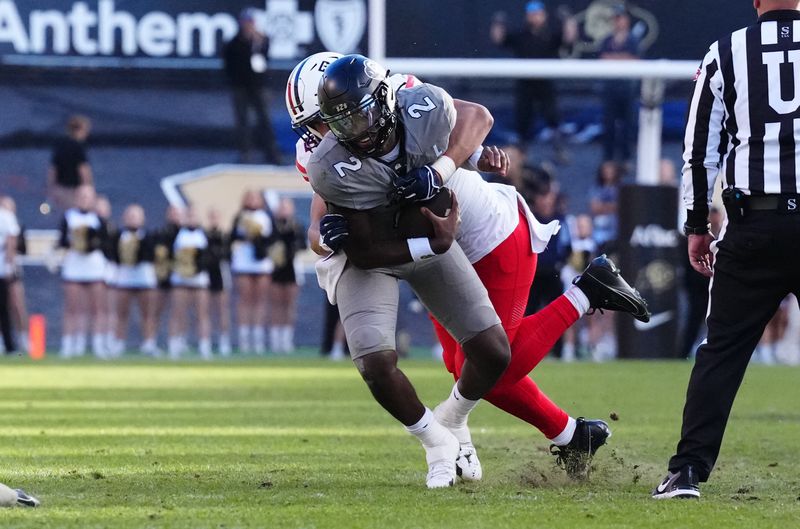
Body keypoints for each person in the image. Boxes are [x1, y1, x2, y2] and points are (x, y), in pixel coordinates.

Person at [309, 54, 650, 487]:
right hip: (433, 247)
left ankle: (585, 294)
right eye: (329, 124)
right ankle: (569, 436)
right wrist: (328, 234)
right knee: (465, 369)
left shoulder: (414, 107)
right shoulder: (327, 157)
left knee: (490, 367)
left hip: (488, 238)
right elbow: (323, 227)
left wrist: (448, 165)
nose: (335, 134)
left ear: (380, 99)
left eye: (351, 119)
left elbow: (471, 118)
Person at [653, 0, 800, 499]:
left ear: (756, 2)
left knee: (722, 352)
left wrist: (697, 224)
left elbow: (699, 149)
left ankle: (687, 471)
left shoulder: (725, 52)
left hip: (753, 223)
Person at [490, 2, 576, 161]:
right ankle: (522, 154)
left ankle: (559, 150)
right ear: (527, 16)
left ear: (544, 15)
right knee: (523, 118)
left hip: (545, 82)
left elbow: (568, 38)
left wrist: (569, 20)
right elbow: (499, 40)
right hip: (525, 83)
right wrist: (498, 22)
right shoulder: (521, 35)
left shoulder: (550, 34)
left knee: (553, 116)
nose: (535, 17)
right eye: (532, 14)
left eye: (538, 14)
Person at [223, 8, 281, 164]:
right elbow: (228, 65)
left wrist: (257, 43)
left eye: (250, 23)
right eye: (245, 23)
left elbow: (264, 61)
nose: (248, 26)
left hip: (258, 87)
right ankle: (245, 153)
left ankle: (272, 153)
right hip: (240, 87)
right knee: (242, 122)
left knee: (265, 120)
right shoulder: (234, 43)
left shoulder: (260, 40)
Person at [57, 185, 108, 358]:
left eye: (88, 196)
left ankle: (98, 345)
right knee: (72, 308)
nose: (85, 199)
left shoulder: (99, 219)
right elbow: (62, 241)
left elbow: (106, 243)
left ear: (93, 199)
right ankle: (70, 344)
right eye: (82, 196)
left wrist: (92, 243)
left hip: (94, 266)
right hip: (74, 266)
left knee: (97, 308)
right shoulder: (68, 216)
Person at [107, 204, 160, 357]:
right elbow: (114, 256)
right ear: (124, 218)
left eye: (136, 216)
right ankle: (118, 343)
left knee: (148, 313)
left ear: (143, 219)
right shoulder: (119, 236)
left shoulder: (148, 236)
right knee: (121, 313)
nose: (133, 219)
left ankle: (149, 343)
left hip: (145, 278)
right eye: (130, 216)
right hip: (124, 278)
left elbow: (152, 256)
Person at [230, 190, 274, 354]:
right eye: (249, 197)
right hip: (243, 260)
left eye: (255, 198)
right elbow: (233, 236)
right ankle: (244, 337)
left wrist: (259, 239)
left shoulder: (266, 217)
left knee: (260, 299)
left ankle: (257, 337)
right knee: (245, 299)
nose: (252, 201)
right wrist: (246, 236)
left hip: (261, 262)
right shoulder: (239, 217)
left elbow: (272, 238)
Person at [598, 5, 641, 164]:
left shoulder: (633, 40)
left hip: (628, 89)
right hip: (610, 89)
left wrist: (614, 58)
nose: (618, 21)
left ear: (626, 20)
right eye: (615, 18)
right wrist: (623, 57)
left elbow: (635, 60)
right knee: (609, 124)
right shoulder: (607, 40)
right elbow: (602, 59)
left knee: (628, 125)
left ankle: (626, 158)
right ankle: (608, 158)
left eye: (621, 18)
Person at [168, 207, 212, 359]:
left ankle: (204, 345)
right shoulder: (177, 234)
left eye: (194, 216)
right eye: (188, 216)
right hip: (180, 280)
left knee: (202, 314)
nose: (191, 219)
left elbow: (210, 256)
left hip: (199, 280)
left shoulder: (204, 234)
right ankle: (175, 344)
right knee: (178, 313)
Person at [267, 197, 306, 354]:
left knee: (290, 305)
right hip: (276, 268)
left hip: (292, 268)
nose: (283, 210)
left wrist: (291, 249)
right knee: (276, 305)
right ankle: (275, 340)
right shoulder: (271, 226)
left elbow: (303, 244)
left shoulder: (296, 225)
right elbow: (264, 243)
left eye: (286, 207)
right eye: (281, 207)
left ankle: (287, 339)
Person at [0, 196, 28, 352]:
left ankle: (23, 339)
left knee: (16, 304)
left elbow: (16, 245)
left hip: (9, 270)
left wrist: (9, 265)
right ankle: (5, 342)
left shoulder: (10, 221)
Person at [48, 115, 92, 210]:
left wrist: (52, 188)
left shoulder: (60, 146)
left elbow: (53, 170)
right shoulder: (78, 147)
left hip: (60, 189)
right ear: (80, 130)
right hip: (76, 191)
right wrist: (88, 187)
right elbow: (83, 169)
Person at [206, 208, 232, 356]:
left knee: (222, 310)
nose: (214, 220)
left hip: (221, 273)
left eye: (216, 217)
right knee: (206, 310)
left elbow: (228, 255)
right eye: (212, 217)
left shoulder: (224, 236)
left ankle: (224, 341)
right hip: (207, 274)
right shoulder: (204, 235)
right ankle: (207, 341)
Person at [590, 160, 624, 253]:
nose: (607, 173)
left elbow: (621, 206)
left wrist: (603, 206)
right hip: (599, 232)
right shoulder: (596, 188)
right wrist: (611, 207)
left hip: (615, 231)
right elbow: (594, 208)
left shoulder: (620, 188)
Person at [0, 198, 20, 354]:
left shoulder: (6, 216)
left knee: (4, 307)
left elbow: (11, 242)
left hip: (1, 266)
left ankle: (9, 344)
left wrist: (8, 266)